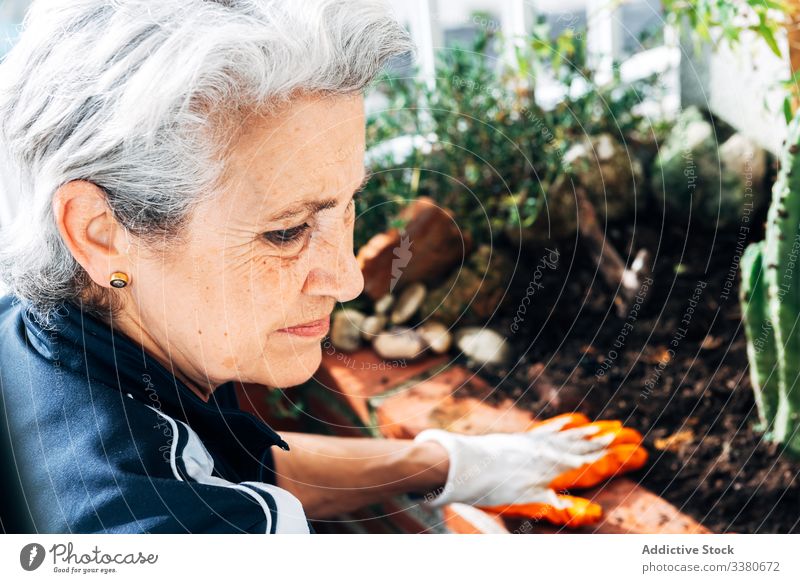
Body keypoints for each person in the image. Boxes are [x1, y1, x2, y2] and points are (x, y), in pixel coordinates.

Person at [0, 0, 644, 534]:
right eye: (285, 231)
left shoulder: (49, 338)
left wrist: (450, 463)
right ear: (100, 231)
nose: (348, 279)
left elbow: (224, 472)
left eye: (349, 205)